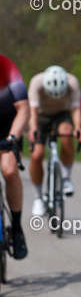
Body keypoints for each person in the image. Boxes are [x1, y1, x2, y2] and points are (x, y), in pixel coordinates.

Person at [28, 65, 81, 216]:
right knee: (36, 154)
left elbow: (76, 109)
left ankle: (66, 178)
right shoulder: (36, 82)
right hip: (41, 116)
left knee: (66, 135)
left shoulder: (72, 82)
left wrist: (78, 128)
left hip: (62, 114)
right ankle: (38, 197)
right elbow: (32, 112)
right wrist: (33, 129)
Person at [0, 54, 30, 259]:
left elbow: (24, 109)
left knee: (10, 170)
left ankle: (17, 229)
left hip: (8, 125)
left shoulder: (7, 66)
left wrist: (12, 138)